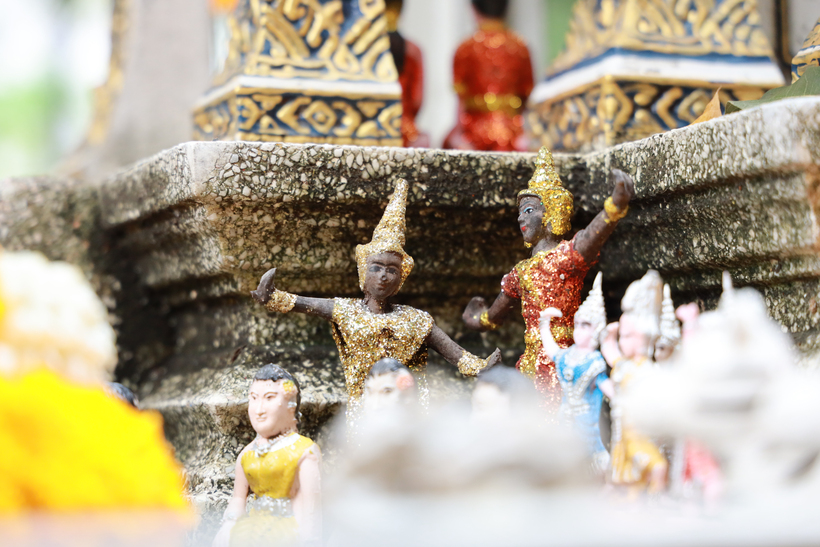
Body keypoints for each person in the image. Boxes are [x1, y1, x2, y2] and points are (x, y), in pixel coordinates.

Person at [252, 179, 501, 418]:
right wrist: (272, 297)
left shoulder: (416, 320)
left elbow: (453, 352)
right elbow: (303, 303)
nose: (383, 276)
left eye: (392, 270)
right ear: (363, 271)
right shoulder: (346, 310)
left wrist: (480, 367)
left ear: (401, 278)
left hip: (406, 413)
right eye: (376, 268)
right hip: (365, 410)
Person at [462, 147, 634, 406]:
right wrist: (478, 320)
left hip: (563, 361)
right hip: (530, 365)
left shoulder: (565, 257)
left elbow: (590, 238)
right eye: (520, 212)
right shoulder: (521, 272)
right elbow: (496, 313)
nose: (520, 218)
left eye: (529, 210)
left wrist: (614, 209)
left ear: (552, 212)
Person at [213, 365, 321, 547]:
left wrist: (309, 539)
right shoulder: (247, 455)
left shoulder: (304, 452)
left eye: (269, 398)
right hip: (252, 532)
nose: (259, 409)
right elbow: (238, 498)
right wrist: (229, 523)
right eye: (253, 398)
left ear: (291, 405)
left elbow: (311, 509)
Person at [600, 270, 668, 493]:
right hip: (622, 433)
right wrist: (609, 336)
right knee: (624, 477)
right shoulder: (625, 366)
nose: (622, 342)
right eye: (622, 336)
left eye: (628, 336)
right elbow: (610, 352)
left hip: (640, 431)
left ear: (644, 337)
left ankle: (655, 490)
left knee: (649, 467)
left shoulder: (648, 371)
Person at [539, 272, 611, 471]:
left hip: (586, 423)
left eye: (585, 326)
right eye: (577, 324)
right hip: (565, 419)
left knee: (591, 463)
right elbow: (552, 351)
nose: (578, 330)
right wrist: (544, 323)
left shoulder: (595, 361)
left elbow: (608, 387)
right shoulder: (567, 355)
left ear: (596, 330)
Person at [443, 0, 533, 151]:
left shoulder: (465, 48)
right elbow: (528, 97)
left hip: (474, 134)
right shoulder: (521, 47)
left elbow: (461, 103)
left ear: (473, 8)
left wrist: (459, 135)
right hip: (513, 134)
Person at [385, 0, 428, 147]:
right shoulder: (413, 50)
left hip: (373, 130)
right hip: (407, 132)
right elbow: (417, 100)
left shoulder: (365, 51)